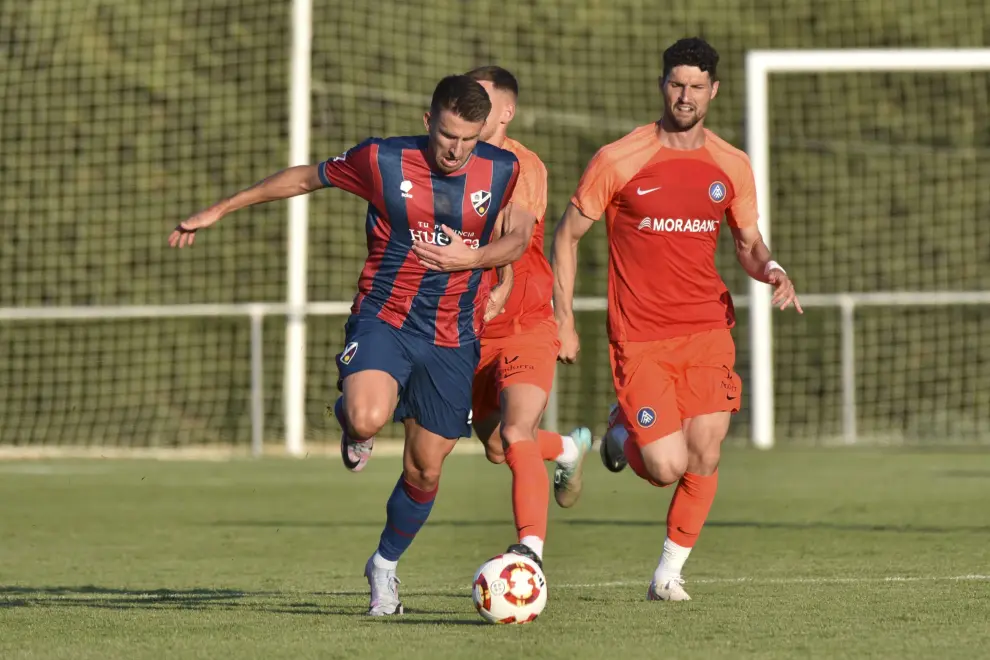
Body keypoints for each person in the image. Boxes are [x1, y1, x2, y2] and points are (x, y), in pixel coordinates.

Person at [168, 75, 533, 616]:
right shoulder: (381, 160)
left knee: (426, 469)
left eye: (469, 139)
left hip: (454, 335)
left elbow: (518, 235)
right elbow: (302, 180)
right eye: (449, 135)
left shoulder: (502, 169)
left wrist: (478, 263)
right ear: (427, 119)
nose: (456, 150)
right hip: (384, 316)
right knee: (365, 418)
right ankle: (351, 426)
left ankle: (384, 566)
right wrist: (221, 208)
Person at [551, 37, 802, 602]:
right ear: (662, 85)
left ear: (712, 91)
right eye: (675, 84)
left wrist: (773, 270)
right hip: (640, 338)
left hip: (708, 329)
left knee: (707, 451)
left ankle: (668, 573)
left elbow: (748, 242)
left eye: (695, 86)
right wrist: (562, 317)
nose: (684, 95)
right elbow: (565, 236)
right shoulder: (620, 158)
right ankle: (621, 432)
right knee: (667, 466)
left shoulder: (731, 164)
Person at [462, 65, 592, 570]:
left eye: (482, 100)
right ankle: (565, 451)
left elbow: (516, 239)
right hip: (471, 331)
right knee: (499, 447)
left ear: (506, 112)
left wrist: (564, 320)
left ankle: (529, 552)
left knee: (516, 433)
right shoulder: (446, 160)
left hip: (525, 324)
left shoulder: (522, 166)